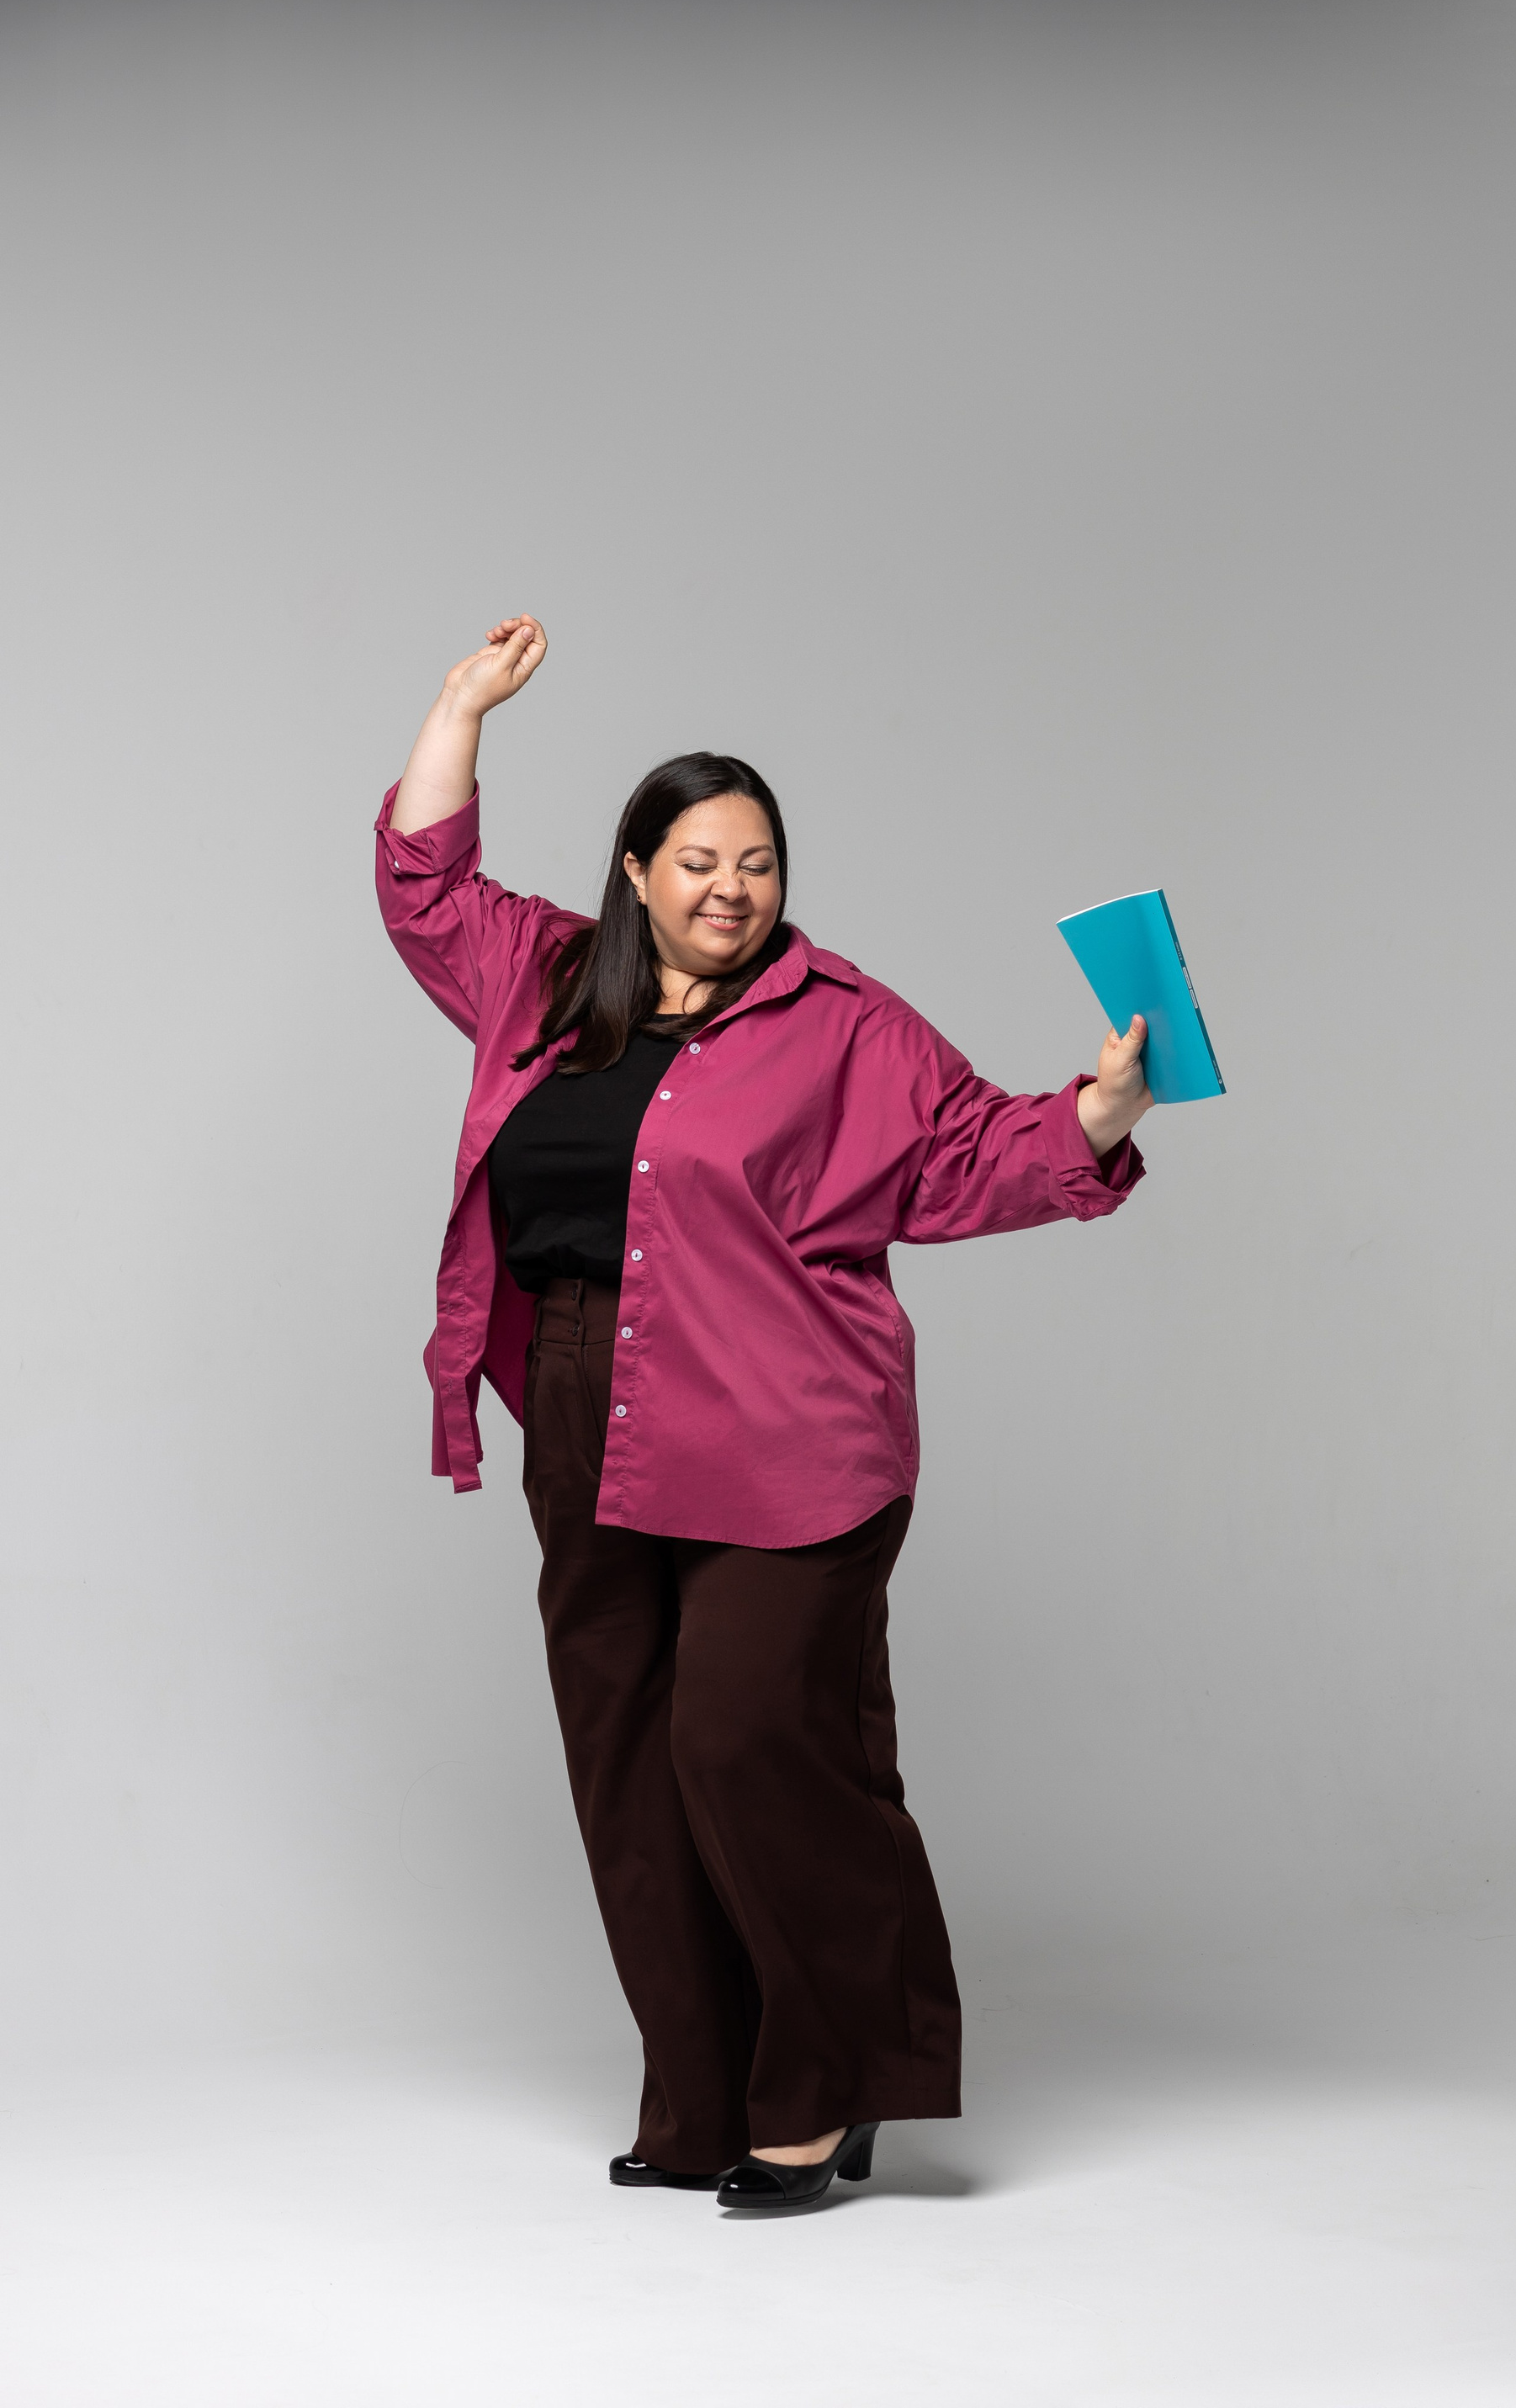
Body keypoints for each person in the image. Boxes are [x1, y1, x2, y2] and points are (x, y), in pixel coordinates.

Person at [376, 612, 1152, 2212]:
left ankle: (828, 2085)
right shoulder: (543, 977)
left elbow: (967, 1153)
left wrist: (1097, 1113)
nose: (732, 888)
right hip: (581, 1398)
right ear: (635, 869)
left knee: (747, 1738)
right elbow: (426, 888)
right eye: (700, 860)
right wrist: (461, 708)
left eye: (759, 863)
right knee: (628, 1758)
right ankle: (705, 2097)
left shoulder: (843, 1022)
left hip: (787, 1422)